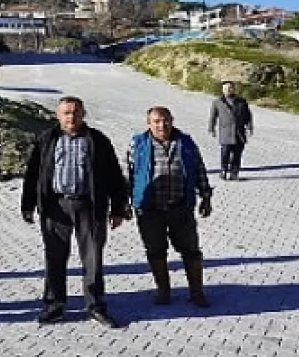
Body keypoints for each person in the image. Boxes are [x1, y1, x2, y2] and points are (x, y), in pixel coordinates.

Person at [21, 96, 129, 328]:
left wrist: (119, 208)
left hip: (89, 207)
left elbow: (114, 175)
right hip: (55, 207)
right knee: (55, 258)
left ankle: (95, 306)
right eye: (66, 113)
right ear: (57, 115)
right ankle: (54, 306)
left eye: (75, 112)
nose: (71, 117)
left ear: (83, 114)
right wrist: (28, 205)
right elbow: (32, 174)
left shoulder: (98, 140)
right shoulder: (46, 139)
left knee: (92, 259)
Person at [127, 106, 214, 307]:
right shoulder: (138, 144)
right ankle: (163, 291)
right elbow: (128, 173)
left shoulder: (186, 142)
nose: (162, 125)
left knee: (191, 251)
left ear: (172, 120)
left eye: (165, 120)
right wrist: (123, 202)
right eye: (156, 121)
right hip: (149, 209)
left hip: (180, 206)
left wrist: (205, 196)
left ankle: (197, 292)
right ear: (148, 123)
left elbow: (199, 169)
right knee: (156, 251)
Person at [207, 81, 254, 181]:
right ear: (222, 90)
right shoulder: (217, 102)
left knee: (237, 154)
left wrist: (250, 127)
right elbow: (213, 116)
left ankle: (234, 173)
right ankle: (223, 170)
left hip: (239, 133)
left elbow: (248, 116)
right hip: (226, 132)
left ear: (234, 89)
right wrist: (211, 128)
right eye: (225, 89)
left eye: (230, 88)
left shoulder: (242, 101)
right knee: (225, 153)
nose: (228, 90)